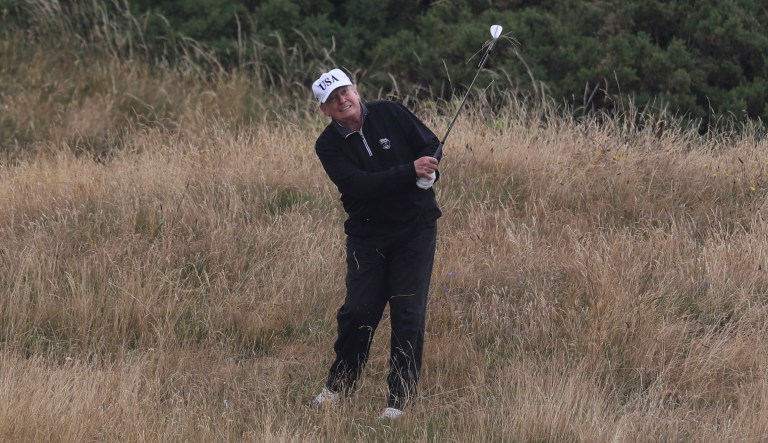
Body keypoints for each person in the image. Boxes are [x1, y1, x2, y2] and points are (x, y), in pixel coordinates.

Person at [310, 68, 442, 419]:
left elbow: (429, 143)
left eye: (344, 92)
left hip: (415, 228)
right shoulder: (328, 145)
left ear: (355, 90)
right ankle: (339, 385)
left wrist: (431, 171)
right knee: (359, 311)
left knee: (408, 312)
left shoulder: (390, 112)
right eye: (332, 99)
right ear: (324, 110)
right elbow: (359, 185)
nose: (342, 101)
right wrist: (409, 171)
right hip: (368, 236)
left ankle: (398, 400)